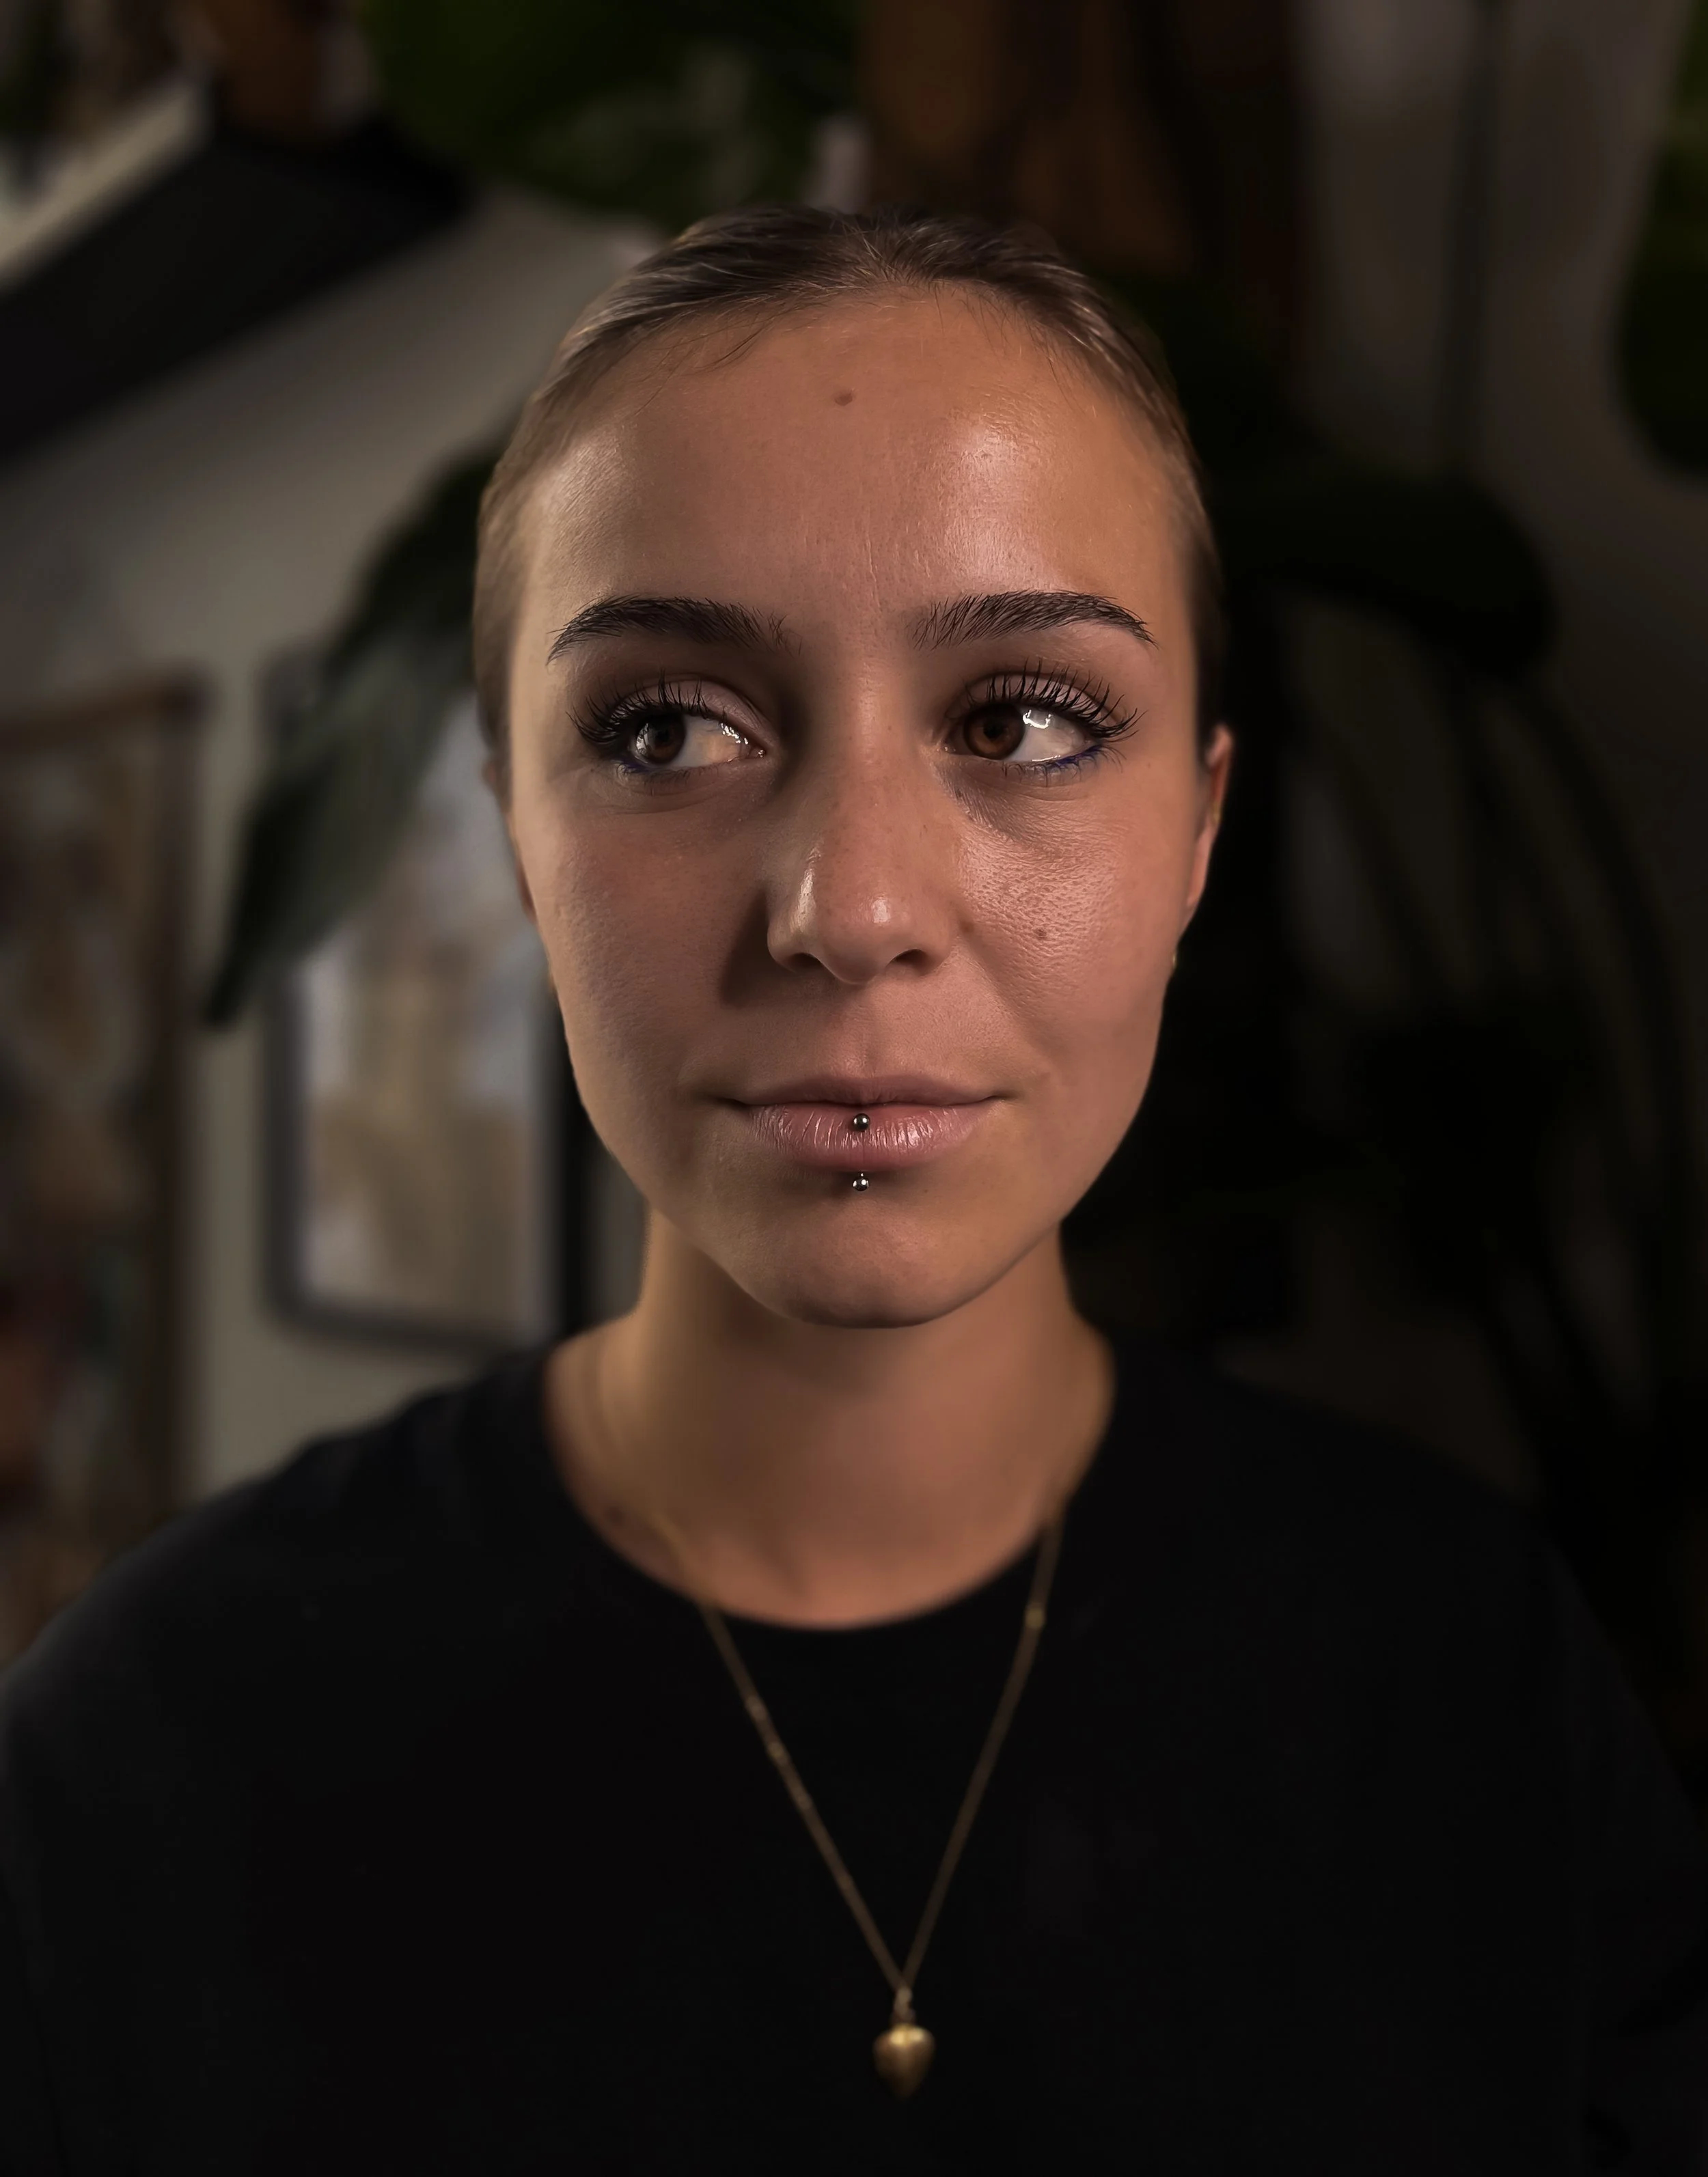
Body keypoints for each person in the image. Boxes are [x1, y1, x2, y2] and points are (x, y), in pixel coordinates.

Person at [3, 206, 1705, 2176]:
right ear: (520, 848)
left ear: (1196, 833)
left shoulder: (1474, 1686)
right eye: (668, 730)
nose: (856, 910)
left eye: (1023, 721)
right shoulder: (147, 1761)